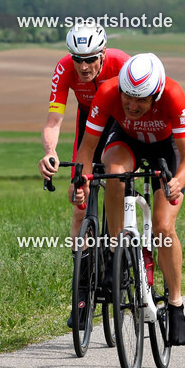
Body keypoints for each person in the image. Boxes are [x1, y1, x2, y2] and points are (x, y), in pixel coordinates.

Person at [70, 53, 185, 345]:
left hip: (165, 150)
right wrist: (82, 183)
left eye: (140, 100)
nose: (131, 105)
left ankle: (176, 306)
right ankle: (117, 255)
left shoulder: (174, 95)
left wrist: (177, 182)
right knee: (113, 173)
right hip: (125, 141)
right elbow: (87, 149)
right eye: (127, 97)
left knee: (164, 227)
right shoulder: (107, 92)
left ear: (157, 94)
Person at [37, 24, 129, 327]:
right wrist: (51, 151)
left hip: (121, 122)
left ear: (103, 54)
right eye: (78, 59)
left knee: (119, 178)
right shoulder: (64, 70)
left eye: (91, 58)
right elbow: (54, 119)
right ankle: (82, 296)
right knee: (79, 204)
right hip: (89, 123)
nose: (84, 66)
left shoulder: (121, 63)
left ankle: (123, 255)